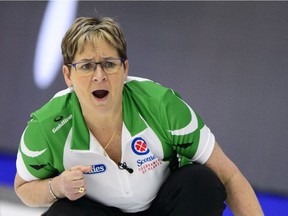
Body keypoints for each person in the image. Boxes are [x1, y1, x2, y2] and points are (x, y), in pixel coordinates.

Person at [14, 16, 264, 216]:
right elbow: (23, 188)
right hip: (98, 211)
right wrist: (56, 187)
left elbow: (228, 175)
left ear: (125, 69)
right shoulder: (47, 126)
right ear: (68, 76)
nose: (99, 75)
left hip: (164, 208)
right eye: (87, 66)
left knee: (201, 183)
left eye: (109, 64)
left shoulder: (161, 105)